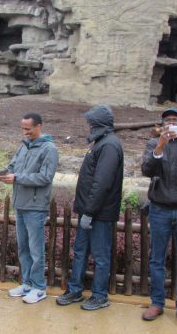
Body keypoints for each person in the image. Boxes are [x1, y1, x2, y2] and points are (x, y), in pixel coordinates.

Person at [56, 105, 124, 311]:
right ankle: (75, 289)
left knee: (101, 256)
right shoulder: (100, 143)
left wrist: (90, 212)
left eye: (90, 122)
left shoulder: (110, 146)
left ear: (98, 124)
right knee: (80, 251)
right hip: (90, 211)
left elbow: (101, 183)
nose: (88, 125)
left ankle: (100, 296)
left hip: (99, 214)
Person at [0, 112, 58, 304]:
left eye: (28, 129)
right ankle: (27, 283)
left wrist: (18, 178)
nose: (25, 132)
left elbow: (45, 177)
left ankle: (39, 287)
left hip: (35, 207)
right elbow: (12, 167)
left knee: (36, 250)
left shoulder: (49, 149)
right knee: (24, 248)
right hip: (20, 204)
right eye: (23, 128)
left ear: (39, 126)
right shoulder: (23, 146)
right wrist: (2, 174)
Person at [141, 108, 177, 327]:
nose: (171, 123)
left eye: (175, 120)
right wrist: (160, 146)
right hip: (159, 208)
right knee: (156, 259)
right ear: (162, 126)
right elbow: (147, 170)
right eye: (167, 121)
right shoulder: (154, 144)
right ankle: (157, 303)